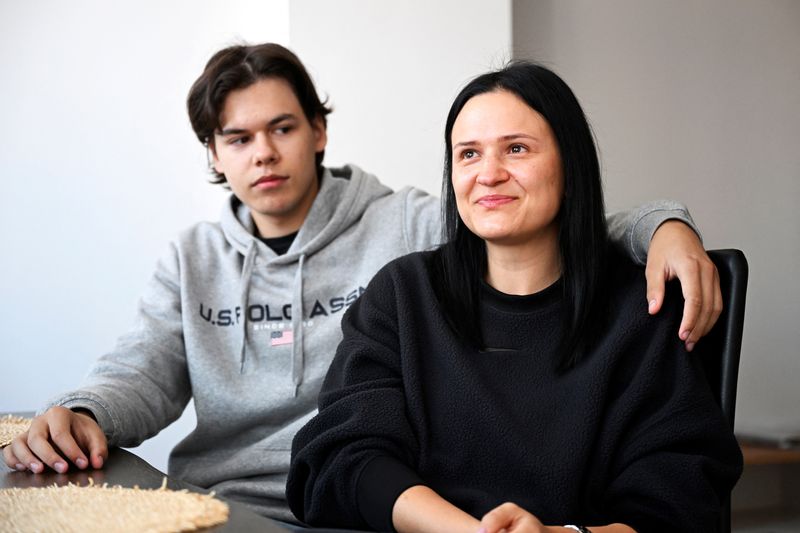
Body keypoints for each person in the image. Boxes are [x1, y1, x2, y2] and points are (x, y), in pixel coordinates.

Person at [5, 44, 720, 523]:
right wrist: (85, 410)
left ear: (318, 130)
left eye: (282, 128)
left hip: (352, 508)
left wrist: (665, 226)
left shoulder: (406, 228)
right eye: (238, 138)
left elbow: (530, 224)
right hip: (230, 501)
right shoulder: (194, 256)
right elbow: (144, 369)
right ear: (215, 156)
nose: (264, 155)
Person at [286, 61, 742, 532]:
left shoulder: (641, 309)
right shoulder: (402, 296)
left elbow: (680, 497)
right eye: (468, 155)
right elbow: (342, 458)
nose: (488, 174)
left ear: (570, 164)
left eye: (517, 149)